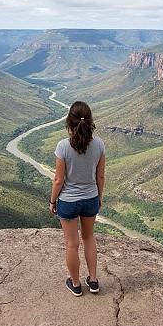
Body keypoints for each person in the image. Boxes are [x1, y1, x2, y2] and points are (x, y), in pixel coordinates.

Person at [49, 100, 105, 297]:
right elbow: (100, 176)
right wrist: (99, 197)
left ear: (69, 123)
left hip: (68, 202)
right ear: (90, 121)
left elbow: (58, 180)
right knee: (89, 238)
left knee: (72, 244)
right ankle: (94, 281)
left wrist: (52, 201)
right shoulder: (99, 144)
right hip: (90, 198)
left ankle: (75, 284)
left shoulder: (63, 146)